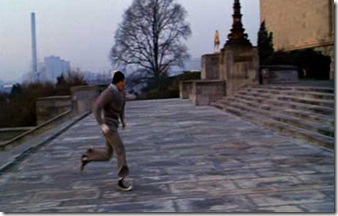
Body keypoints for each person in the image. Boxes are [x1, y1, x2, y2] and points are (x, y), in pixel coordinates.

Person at [80, 71, 132, 191]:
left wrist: (123, 119)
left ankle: (87, 157)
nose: (123, 84)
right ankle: (121, 179)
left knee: (108, 155)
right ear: (117, 82)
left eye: (124, 82)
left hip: (115, 125)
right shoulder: (109, 93)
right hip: (108, 128)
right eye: (122, 82)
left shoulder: (121, 92)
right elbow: (96, 108)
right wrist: (102, 124)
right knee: (120, 149)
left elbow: (122, 106)